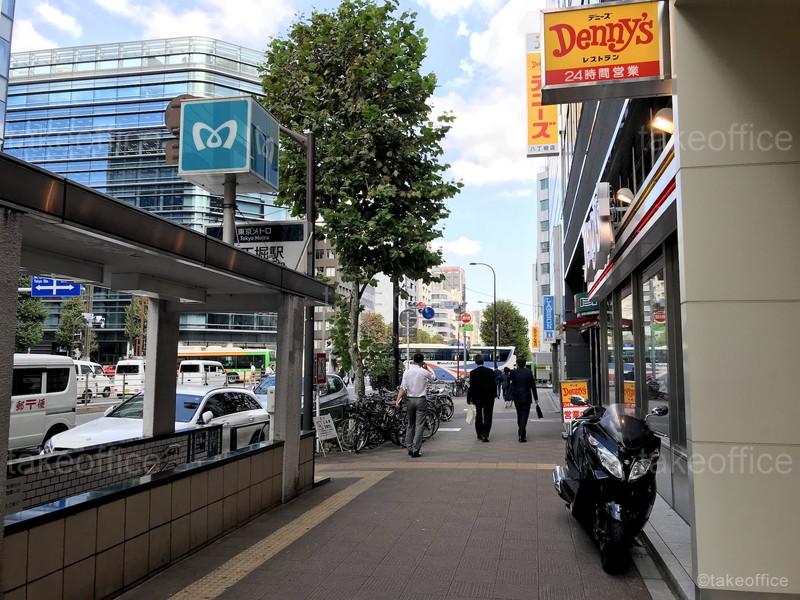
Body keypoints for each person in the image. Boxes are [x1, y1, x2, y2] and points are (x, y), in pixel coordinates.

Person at [396, 353, 436, 458]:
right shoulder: (423, 372)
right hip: (421, 400)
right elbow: (433, 378)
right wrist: (427, 368)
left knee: (410, 424)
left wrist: (397, 400)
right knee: (419, 425)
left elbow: (403, 388)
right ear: (422, 361)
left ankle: (409, 447)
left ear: (413, 360)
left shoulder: (407, 372)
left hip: (409, 400)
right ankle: (415, 449)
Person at [507, 357, 538, 442]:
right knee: (525, 415)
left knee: (519, 414)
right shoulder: (529, 372)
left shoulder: (513, 372)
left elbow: (509, 381)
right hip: (526, 396)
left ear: (517, 364)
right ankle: (521, 433)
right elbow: (533, 386)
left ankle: (521, 432)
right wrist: (536, 398)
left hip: (516, 397)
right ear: (525, 364)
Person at [467, 354, 496, 442]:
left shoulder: (473, 372)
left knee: (478, 415)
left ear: (476, 362)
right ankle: (486, 435)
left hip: (477, 397)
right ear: (483, 362)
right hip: (489, 397)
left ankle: (479, 434)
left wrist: (469, 398)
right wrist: (495, 395)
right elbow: (493, 384)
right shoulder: (490, 371)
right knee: (488, 415)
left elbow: (472, 387)